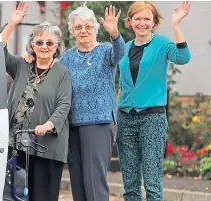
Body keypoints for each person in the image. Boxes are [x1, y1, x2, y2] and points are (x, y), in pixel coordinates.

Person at [23, 4, 125, 201]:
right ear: (73, 31)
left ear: (95, 29)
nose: (83, 31)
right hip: (72, 125)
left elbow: (119, 53)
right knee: (78, 181)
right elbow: (50, 75)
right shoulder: (68, 57)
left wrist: (114, 34)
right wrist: (31, 57)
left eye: (87, 26)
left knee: (94, 182)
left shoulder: (105, 51)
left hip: (98, 123)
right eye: (78, 27)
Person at [116, 1, 191, 201]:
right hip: (125, 119)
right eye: (137, 18)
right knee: (130, 184)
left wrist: (176, 26)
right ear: (130, 22)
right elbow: (122, 85)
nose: (142, 23)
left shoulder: (162, 44)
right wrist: (115, 116)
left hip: (152, 119)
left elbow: (183, 58)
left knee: (152, 182)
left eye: (147, 19)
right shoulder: (125, 48)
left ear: (154, 22)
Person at [1, 2, 72, 201]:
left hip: (45, 146)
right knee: (14, 195)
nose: (44, 47)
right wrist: (12, 24)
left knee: (43, 196)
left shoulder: (63, 74)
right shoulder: (22, 65)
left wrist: (49, 124)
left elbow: (64, 104)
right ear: (32, 44)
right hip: (15, 143)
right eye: (39, 42)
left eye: (49, 43)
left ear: (56, 47)